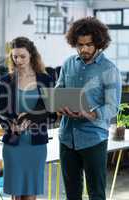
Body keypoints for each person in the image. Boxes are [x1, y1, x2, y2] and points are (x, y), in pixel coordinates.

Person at [56, 16, 122, 200]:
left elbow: (112, 107)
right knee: (72, 193)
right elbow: (59, 89)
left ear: (99, 44)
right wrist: (57, 105)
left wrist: (89, 113)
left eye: (88, 45)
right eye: (80, 45)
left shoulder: (109, 69)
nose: (84, 49)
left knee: (96, 193)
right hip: (67, 138)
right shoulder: (69, 63)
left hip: (93, 139)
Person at [0, 36, 56, 200]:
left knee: (31, 192)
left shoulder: (45, 79)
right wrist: (11, 125)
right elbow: (0, 112)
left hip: (35, 144)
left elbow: (52, 114)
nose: (18, 60)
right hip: (14, 143)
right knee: (16, 194)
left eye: (22, 56)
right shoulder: (6, 80)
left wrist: (31, 117)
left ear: (31, 55)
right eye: (15, 56)